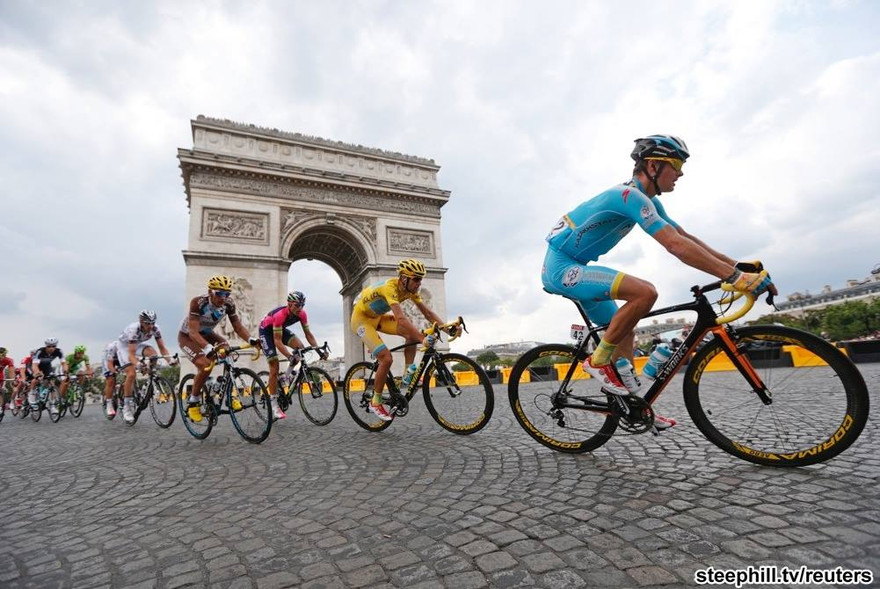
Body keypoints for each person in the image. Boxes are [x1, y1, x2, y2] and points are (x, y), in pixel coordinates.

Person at [541, 134, 776, 430]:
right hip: (561, 268)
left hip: (579, 266)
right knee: (645, 293)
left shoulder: (646, 199)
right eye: (676, 165)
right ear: (653, 165)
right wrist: (735, 278)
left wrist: (736, 266)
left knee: (624, 329)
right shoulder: (627, 196)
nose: (681, 173)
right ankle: (597, 362)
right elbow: (674, 247)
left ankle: (635, 410)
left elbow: (684, 237)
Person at [350, 259, 449, 421]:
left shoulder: (410, 290)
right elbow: (401, 319)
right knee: (386, 358)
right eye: (416, 279)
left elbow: (428, 313)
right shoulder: (390, 288)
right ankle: (375, 402)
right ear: (404, 278)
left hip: (377, 318)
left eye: (421, 279)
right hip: (361, 321)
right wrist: (422, 338)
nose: (419, 283)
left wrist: (447, 327)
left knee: (410, 335)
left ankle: (407, 374)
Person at [178, 275, 259, 423]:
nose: (223, 297)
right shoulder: (198, 302)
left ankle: (228, 392)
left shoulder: (228, 304)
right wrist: (208, 348)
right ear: (210, 292)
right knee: (205, 365)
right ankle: (193, 401)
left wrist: (251, 339)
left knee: (227, 351)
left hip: (208, 334)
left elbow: (238, 327)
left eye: (227, 294)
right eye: (219, 294)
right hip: (188, 337)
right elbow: (193, 332)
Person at [258, 290, 328, 419]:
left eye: (302, 305)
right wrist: (289, 356)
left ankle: (286, 376)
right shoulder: (279, 315)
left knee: (300, 349)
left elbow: (308, 334)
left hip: (280, 330)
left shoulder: (302, 314)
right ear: (289, 304)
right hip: (266, 332)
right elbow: (277, 341)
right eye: (297, 305)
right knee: (274, 366)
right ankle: (274, 405)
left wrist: (318, 350)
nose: (300, 308)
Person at [102, 311, 176, 423]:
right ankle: (126, 407)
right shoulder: (133, 330)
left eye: (153, 323)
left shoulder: (156, 329)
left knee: (153, 354)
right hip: (124, 347)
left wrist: (169, 360)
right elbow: (131, 355)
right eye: (147, 323)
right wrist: (138, 364)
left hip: (137, 345)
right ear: (141, 322)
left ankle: (151, 378)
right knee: (131, 374)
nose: (150, 326)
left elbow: (162, 348)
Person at [29, 338, 68, 415]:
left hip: (47, 366)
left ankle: (53, 406)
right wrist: (37, 373)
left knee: (52, 383)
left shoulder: (59, 351)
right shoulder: (40, 351)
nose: (51, 348)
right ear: (46, 346)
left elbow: (64, 363)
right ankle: (32, 393)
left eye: (53, 346)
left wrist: (65, 370)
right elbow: (34, 365)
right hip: (37, 366)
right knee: (36, 379)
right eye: (49, 346)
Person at [0, 347, 15, 412]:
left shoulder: (8, 360)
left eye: (4, 355)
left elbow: (11, 370)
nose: (3, 357)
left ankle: (0, 407)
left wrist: (12, 379)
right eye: (2, 355)